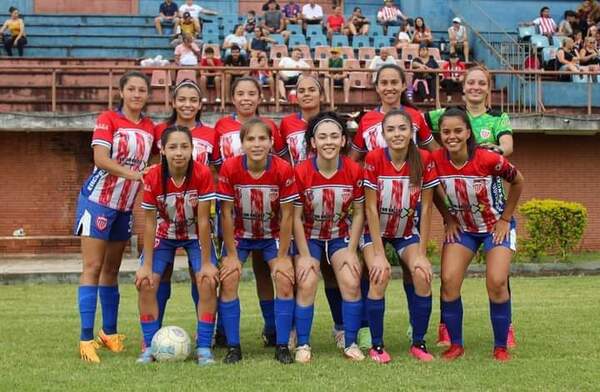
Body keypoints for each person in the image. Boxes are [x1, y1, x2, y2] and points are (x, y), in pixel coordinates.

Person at [425, 66, 517, 347]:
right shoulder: (443, 117)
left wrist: (496, 153)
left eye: (481, 83)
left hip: (492, 211)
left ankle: (504, 333)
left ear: (488, 88)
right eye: (470, 82)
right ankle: (450, 334)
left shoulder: (497, 119)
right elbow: (416, 124)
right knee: (449, 280)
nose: (476, 87)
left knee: (498, 279)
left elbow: (509, 149)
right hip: (462, 217)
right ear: (462, 87)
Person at [432, 108, 525, 362]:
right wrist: (448, 218)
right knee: (449, 282)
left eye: (458, 131)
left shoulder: (487, 158)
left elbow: (518, 181)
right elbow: (433, 191)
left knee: (496, 282)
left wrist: (506, 219)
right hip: (464, 229)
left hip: (495, 227)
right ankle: (456, 345)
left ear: (467, 133)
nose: (452, 136)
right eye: (446, 132)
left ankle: (500, 346)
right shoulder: (436, 160)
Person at [75, 71, 154, 363]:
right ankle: (85, 339)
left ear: (148, 95)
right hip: (97, 202)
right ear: (122, 92)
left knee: (112, 270)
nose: (136, 94)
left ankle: (108, 333)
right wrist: (134, 174)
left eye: (142, 90)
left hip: (124, 206)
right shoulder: (108, 119)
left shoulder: (150, 127)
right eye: (131, 89)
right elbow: (100, 159)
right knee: (92, 266)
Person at [217, 118, 298, 364]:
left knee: (284, 279)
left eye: (262, 138)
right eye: (250, 139)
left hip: (271, 235)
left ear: (272, 142)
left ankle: (282, 345)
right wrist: (231, 255)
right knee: (229, 278)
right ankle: (233, 347)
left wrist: (283, 257)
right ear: (242, 143)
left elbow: (287, 216)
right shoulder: (230, 168)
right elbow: (227, 213)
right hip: (240, 235)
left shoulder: (283, 168)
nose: (256, 144)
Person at [362, 109, 439, 364]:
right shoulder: (374, 158)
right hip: (374, 231)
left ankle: (418, 342)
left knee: (422, 273)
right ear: (383, 134)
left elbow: (427, 208)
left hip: (406, 231)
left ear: (412, 132)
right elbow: (370, 208)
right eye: (391, 129)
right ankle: (377, 346)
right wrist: (379, 254)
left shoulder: (424, 159)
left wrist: (422, 254)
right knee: (379, 273)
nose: (397, 134)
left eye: (402, 128)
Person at [135, 125, 217, 365]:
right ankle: (149, 346)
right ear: (162, 150)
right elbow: (149, 225)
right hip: (164, 233)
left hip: (194, 235)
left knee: (207, 280)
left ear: (192, 149)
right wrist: (146, 266)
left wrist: (205, 265)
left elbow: (203, 221)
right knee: (147, 282)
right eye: (172, 147)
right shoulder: (152, 177)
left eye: (184, 146)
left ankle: (204, 346)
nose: (178, 152)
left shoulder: (202, 174)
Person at [292, 111, 366, 363]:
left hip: (339, 235)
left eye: (335, 136)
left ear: (344, 140)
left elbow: (358, 214)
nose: (328, 142)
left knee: (351, 280)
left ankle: (350, 341)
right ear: (313, 142)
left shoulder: (354, 170)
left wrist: (351, 250)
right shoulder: (301, 172)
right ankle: (302, 343)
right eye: (322, 137)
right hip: (310, 236)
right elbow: (295, 218)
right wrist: (304, 256)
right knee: (307, 280)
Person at [351, 64, 438, 160]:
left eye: (394, 82)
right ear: (377, 87)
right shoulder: (367, 119)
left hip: (411, 174)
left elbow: (435, 151)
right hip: (378, 174)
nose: (389, 88)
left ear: (403, 85)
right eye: (384, 83)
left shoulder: (415, 115)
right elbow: (353, 157)